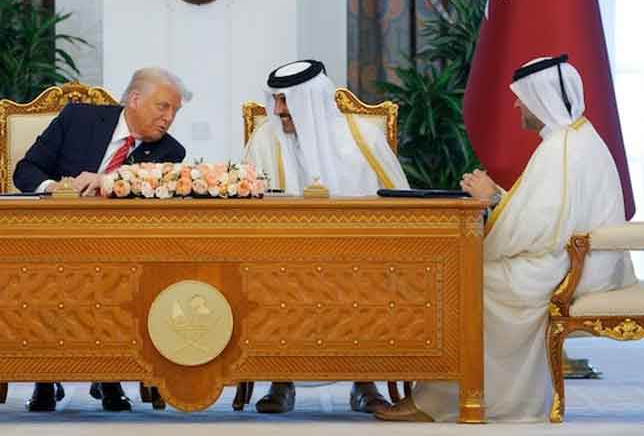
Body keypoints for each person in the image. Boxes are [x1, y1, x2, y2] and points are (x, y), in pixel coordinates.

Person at [377, 55, 637, 422]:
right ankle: (440, 395)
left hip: (569, 268)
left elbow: (537, 230)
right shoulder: (574, 137)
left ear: (540, 99)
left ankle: (447, 401)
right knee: (467, 276)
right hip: (576, 259)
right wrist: (498, 197)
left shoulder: (561, 148)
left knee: (464, 284)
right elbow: (544, 217)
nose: (516, 104)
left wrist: (488, 200)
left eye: (522, 97)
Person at [14, 67, 190, 412]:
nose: (168, 118)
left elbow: (147, 195)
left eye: (174, 112)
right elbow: (27, 170)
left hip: (122, 247)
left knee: (119, 278)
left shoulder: (171, 151)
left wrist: (106, 183)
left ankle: (109, 376)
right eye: (163, 107)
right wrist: (56, 189)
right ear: (135, 99)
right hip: (58, 238)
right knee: (49, 277)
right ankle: (45, 377)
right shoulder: (79, 119)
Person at [242, 59, 410, 414]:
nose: (278, 111)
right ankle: (279, 380)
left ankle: (364, 382)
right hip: (282, 255)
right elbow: (245, 204)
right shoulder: (265, 139)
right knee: (271, 278)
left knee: (367, 278)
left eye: (285, 101)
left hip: (357, 254)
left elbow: (397, 196)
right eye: (275, 101)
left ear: (309, 101)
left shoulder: (362, 137)